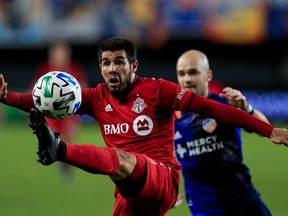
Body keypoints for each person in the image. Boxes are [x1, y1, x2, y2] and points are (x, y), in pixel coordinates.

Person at [0, 36, 288, 216]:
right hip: (129, 194)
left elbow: (214, 108)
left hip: (162, 179)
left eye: (120, 62)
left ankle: (59, 150)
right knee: (122, 163)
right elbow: (40, 100)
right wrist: (6, 97)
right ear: (100, 68)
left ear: (134, 66)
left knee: (122, 158)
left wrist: (268, 130)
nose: (113, 68)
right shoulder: (96, 97)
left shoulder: (158, 90)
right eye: (106, 63)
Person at [174, 49, 272, 215]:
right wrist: (165, 188)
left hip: (243, 201)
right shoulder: (171, 116)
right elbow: (157, 155)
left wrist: (245, 108)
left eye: (193, 73)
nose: (187, 79)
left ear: (208, 76)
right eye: (181, 74)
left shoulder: (225, 104)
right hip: (204, 208)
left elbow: (266, 129)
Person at [31, 41, 89, 182]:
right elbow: (36, 87)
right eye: (56, 53)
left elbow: (83, 86)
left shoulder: (74, 69)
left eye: (62, 53)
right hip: (51, 111)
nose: (59, 56)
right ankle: (60, 160)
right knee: (55, 137)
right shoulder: (45, 69)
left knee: (69, 138)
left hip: (69, 112)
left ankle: (66, 164)